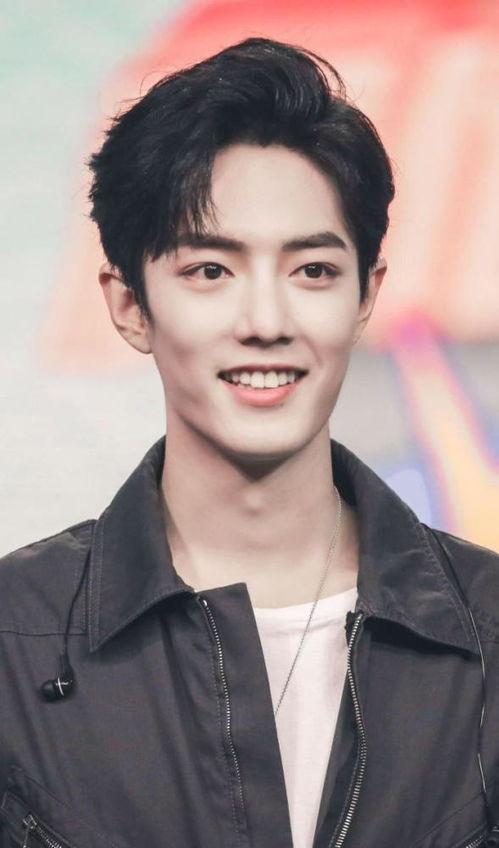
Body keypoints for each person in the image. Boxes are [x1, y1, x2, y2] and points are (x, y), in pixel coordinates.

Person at [0, 36, 498, 848]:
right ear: (129, 305)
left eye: (312, 271)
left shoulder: (488, 628)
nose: (265, 321)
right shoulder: (15, 637)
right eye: (210, 271)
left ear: (364, 295)